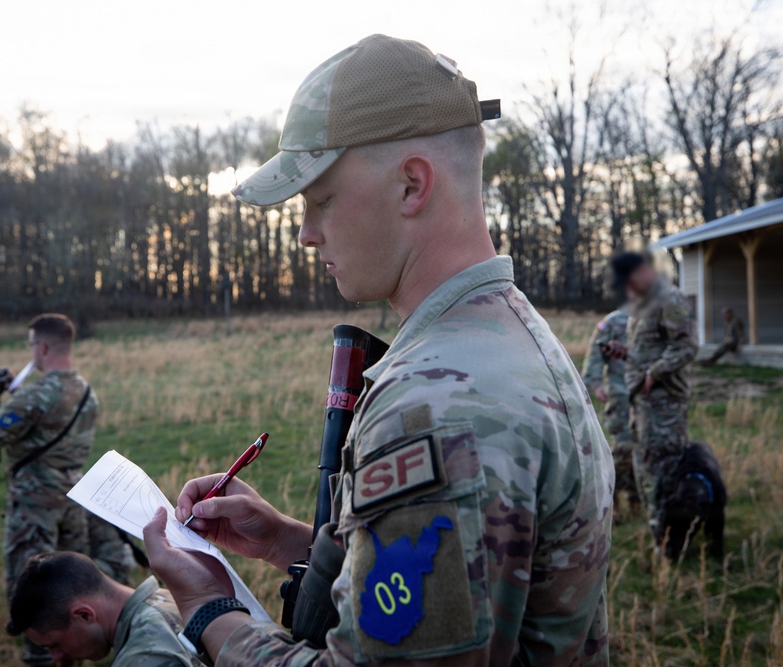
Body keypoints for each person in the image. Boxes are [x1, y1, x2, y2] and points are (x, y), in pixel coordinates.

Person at [143, 34, 613, 666]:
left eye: (321, 200)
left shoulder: (437, 406)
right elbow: (466, 582)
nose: (307, 233)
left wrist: (209, 611)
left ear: (411, 186)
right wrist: (291, 543)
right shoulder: (505, 334)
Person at [0, 313, 98, 666]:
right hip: (72, 498)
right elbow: (45, 421)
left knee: (31, 587)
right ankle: (75, 653)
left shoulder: (38, 394)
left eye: (30, 345)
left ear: (42, 347)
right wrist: (16, 397)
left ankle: (41, 657)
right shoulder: (85, 391)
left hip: (34, 504)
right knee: (74, 585)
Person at [607, 252, 699, 552]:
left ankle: (674, 538)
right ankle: (658, 532)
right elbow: (651, 347)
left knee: (665, 468)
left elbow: (686, 345)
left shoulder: (670, 300)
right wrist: (627, 353)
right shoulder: (642, 303)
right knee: (646, 467)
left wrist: (654, 373)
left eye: (631, 279)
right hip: (644, 404)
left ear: (644, 271)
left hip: (664, 405)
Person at [6, 551, 199, 666]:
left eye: (54, 644)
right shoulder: (173, 600)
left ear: (84, 615)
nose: (56, 657)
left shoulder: (142, 658)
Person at [581, 307, 640, 516]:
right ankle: (611, 502)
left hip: (646, 396)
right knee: (623, 448)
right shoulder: (613, 321)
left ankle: (637, 501)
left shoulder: (651, 319)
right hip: (620, 393)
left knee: (642, 450)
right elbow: (596, 353)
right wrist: (596, 383)